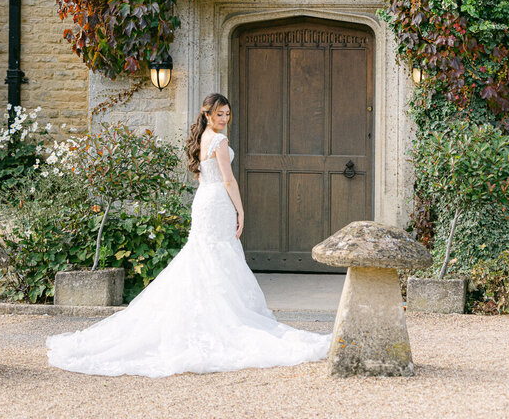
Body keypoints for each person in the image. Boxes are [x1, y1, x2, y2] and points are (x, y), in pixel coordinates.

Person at [46, 92, 331, 376]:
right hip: (217, 201)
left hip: (204, 199)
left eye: (227, 114)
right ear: (207, 114)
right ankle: (218, 317)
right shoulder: (219, 141)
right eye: (219, 114)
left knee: (205, 255)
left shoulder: (202, 138)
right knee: (215, 254)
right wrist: (241, 210)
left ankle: (207, 313)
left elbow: (202, 175)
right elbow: (228, 180)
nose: (224, 119)